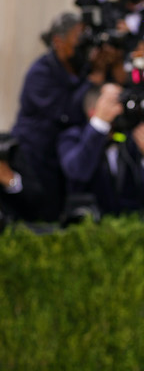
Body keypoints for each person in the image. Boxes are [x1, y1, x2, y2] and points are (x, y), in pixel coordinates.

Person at [11, 12, 104, 222]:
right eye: (79, 38)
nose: (84, 45)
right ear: (58, 42)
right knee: (41, 217)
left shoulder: (80, 70)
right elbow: (66, 112)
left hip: (62, 164)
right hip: (35, 161)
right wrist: (90, 82)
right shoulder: (40, 73)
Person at [57, 83, 144, 218]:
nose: (122, 108)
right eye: (115, 102)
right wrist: (99, 125)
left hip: (130, 225)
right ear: (93, 111)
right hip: (89, 224)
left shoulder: (133, 139)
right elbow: (78, 172)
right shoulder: (72, 137)